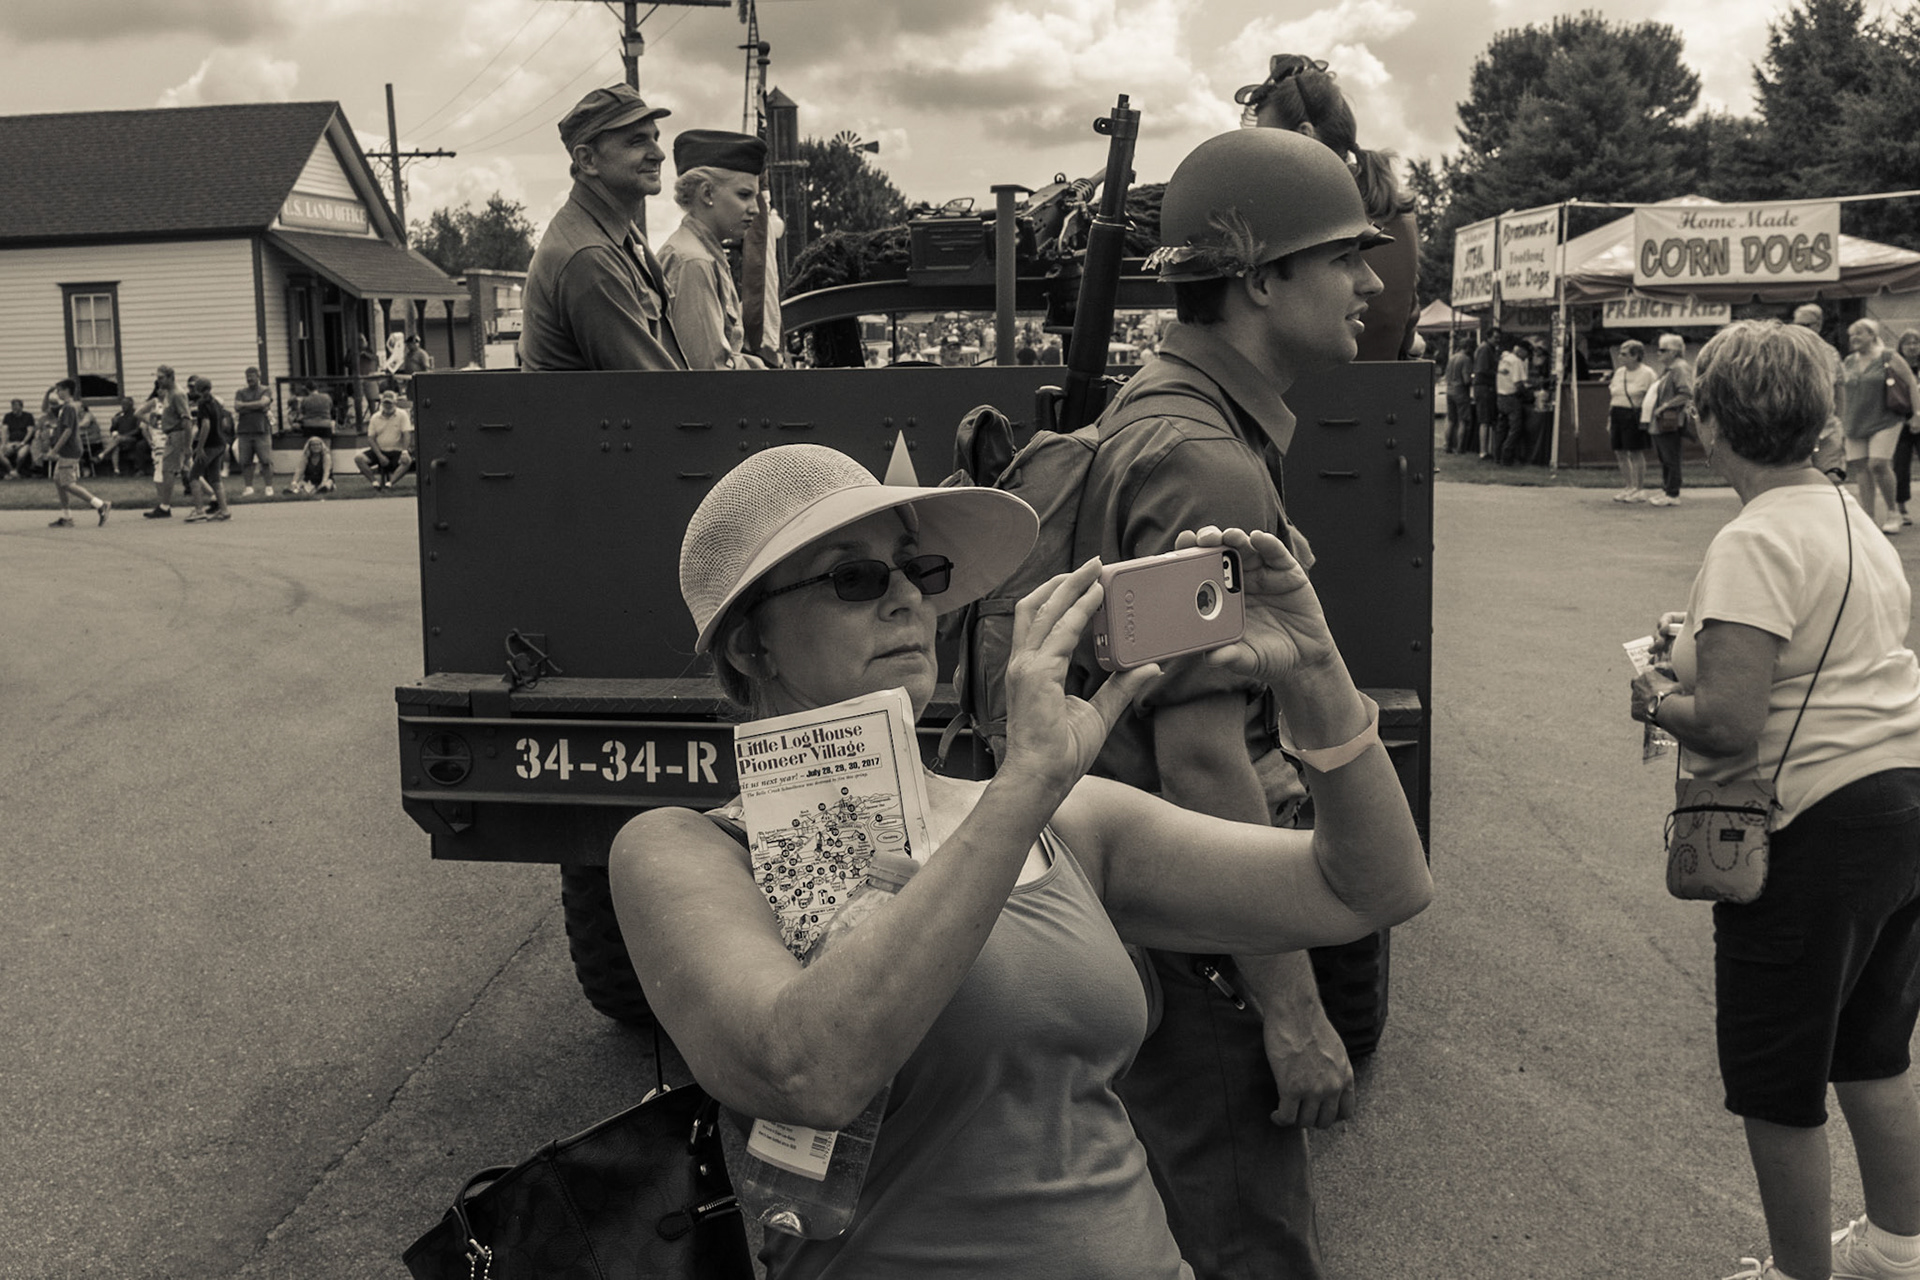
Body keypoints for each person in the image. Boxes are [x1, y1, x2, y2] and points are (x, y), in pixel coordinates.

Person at [612, 442, 1431, 1279]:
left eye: (916, 569)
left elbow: (1369, 886)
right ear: (753, 648)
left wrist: (1318, 672)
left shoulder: (1064, 820)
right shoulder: (686, 849)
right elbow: (804, 1071)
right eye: (853, 579)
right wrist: (1027, 781)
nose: (905, 598)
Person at [1087, 125, 1392, 1280]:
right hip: (1201, 940)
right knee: (1240, 1242)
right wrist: (1291, 1008)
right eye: (1342, 259)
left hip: (1157, 917)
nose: (1370, 281)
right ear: (1260, 279)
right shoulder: (1202, 459)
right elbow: (1203, 755)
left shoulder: (1167, 416)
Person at [1628, 320, 1920, 1280]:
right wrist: (1697, 644)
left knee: (1774, 1077)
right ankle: (1896, 1249)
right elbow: (1821, 655)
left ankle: (1798, 1274)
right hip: (1897, 797)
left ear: (1711, 426)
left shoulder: (1752, 538)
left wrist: (1654, 696)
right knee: (1874, 1047)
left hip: (1811, 826)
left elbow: (1728, 723)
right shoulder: (1853, 519)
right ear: (1823, 422)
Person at [1236, 53, 1419, 361]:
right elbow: (1407, 330)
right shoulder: (1401, 213)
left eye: (1264, 144)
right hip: (1386, 393)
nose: (1254, 159)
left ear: (1304, 136)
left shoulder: (1295, 216)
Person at [520, 84, 687, 372]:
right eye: (637, 141)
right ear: (587, 160)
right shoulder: (589, 256)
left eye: (655, 138)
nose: (658, 154)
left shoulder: (616, 232)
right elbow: (657, 393)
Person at [659, 129, 769, 371]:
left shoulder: (700, 253)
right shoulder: (694, 261)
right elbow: (708, 372)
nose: (755, 209)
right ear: (707, 193)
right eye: (744, 195)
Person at [1837, 318, 1918, 535]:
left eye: (1859, 334)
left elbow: (1911, 382)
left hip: (1886, 419)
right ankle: (1869, 517)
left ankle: (1893, 512)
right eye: (1852, 335)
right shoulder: (1849, 361)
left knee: (1878, 464)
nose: (1854, 339)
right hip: (1855, 420)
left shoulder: (1888, 356)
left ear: (1872, 335)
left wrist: (1917, 414)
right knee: (1862, 468)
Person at [1793, 305, 1848, 484]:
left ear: (1818, 326)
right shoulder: (1788, 352)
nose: (1800, 329)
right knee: (1800, 481)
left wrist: (1841, 422)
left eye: (1806, 325)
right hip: (1796, 430)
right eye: (1797, 325)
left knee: (1833, 479)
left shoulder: (1830, 353)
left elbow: (1839, 389)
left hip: (1828, 428)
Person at [44, 379, 109, 527]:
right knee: (58, 480)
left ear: (67, 390)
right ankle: (67, 517)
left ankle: (100, 505)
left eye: (59, 390)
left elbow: (68, 431)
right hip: (66, 450)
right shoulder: (64, 407)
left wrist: (54, 451)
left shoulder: (69, 408)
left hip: (70, 450)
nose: (57, 393)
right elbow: (46, 409)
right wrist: (47, 393)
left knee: (67, 484)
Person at [1646, 333, 1695, 507]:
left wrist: (1666, 406)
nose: (1658, 353)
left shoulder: (1679, 368)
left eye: (1662, 350)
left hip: (1671, 420)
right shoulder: (1669, 369)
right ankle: (1667, 489)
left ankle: (1673, 492)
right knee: (1664, 456)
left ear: (1674, 352)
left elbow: (1686, 392)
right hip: (1661, 420)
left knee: (1670, 455)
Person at [1609, 339, 1657, 502]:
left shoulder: (1647, 373)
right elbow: (1614, 395)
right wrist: (1610, 418)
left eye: (1624, 354)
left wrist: (1647, 418)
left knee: (1635, 451)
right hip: (1617, 412)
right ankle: (1629, 486)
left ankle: (1639, 488)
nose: (1620, 357)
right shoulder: (1619, 372)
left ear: (1635, 356)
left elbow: (1652, 396)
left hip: (1634, 414)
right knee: (1620, 452)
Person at [143, 365, 192, 519]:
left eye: (161, 377)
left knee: (168, 470)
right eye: (158, 377)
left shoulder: (177, 394)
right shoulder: (169, 394)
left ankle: (164, 507)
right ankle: (213, 496)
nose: (159, 381)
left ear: (171, 377)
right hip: (171, 434)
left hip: (177, 434)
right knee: (188, 468)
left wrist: (187, 445)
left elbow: (187, 420)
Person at [184, 376, 231, 522]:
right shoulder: (216, 402)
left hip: (210, 445)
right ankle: (224, 510)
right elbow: (222, 423)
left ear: (198, 389)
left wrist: (199, 447)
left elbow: (205, 425)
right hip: (220, 443)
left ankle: (199, 510)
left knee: (193, 476)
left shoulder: (203, 403)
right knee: (215, 477)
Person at [355, 388, 413, 490]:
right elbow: (371, 439)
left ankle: (389, 484)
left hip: (397, 451)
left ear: (395, 403)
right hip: (380, 451)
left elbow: (406, 434)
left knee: (407, 460)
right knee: (359, 458)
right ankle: (374, 482)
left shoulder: (402, 415)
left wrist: (404, 451)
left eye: (390, 403)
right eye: (385, 403)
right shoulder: (375, 417)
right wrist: (379, 455)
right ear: (382, 403)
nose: (388, 405)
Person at [230, 367, 275, 497]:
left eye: (252, 376)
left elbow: (264, 403)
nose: (249, 379)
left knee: (266, 460)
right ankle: (248, 487)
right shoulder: (240, 392)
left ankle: (269, 487)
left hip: (262, 430)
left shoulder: (266, 389)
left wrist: (246, 406)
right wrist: (257, 406)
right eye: (247, 376)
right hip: (244, 431)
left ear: (258, 376)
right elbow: (237, 406)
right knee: (246, 461)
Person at [1895, 330, 1920, 526]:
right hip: (1900, 421)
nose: (1912, 347)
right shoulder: (1895, 368)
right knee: (1901, 466)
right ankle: (1901, 506)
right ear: (1901, 347)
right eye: (1908, 344)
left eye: (1916, 343)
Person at [1494, 337, 1530, 465]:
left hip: (1500, 396)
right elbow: (1518, 383)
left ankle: (1497, 456)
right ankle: (1506, 456)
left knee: (1501, 429)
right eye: (1527, 354)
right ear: (1521, 351)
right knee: (1515, 428)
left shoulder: (1504, 358)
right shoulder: (1516, 361)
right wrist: (1528, 395)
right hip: (1511, 398)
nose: (1527, 357)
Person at [97, 396, 149, 477]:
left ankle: (102, 454)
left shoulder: (136, 414)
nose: (123, 406)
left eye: (125, 404)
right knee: (116, 447)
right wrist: (114, 425)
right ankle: (116, 471)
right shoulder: (119, 415)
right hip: (120, 440)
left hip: (133, 439)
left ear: (131, 404)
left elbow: (138, 430)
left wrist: (124, 436)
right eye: (122, 404)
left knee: (118, 439)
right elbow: (112, 430)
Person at [1444, 334, 1475, 455]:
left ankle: (1447, 446)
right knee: (1463, 420)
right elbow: (1466, 379)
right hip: (1461, 391)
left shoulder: (1452, 357)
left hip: (1449, 390)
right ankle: (1460, 448)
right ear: (1467, 347)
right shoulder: (1466, 359)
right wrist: (1473, 378)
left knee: (1451, 420)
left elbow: (1447, 375)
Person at [1, 398, 35, 478]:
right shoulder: (8, 416)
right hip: (11, 442)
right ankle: (12, 470)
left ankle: (17, 469)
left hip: (23, 443)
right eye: (12, 406)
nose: (14, 408)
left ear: (21, 407)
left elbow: (30, 432)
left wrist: (23, 443)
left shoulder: (28, 416)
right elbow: (4, 431)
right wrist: (4, 444)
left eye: (16, 405)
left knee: (21, 455)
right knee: (0, 453)